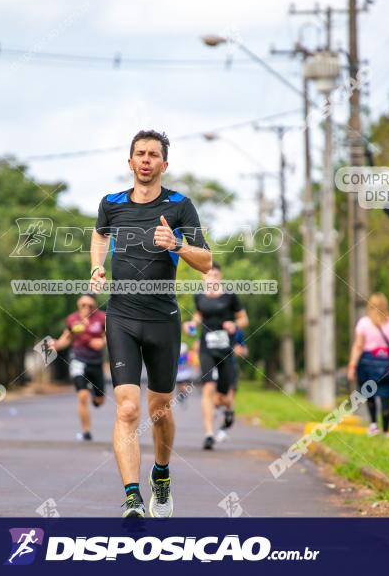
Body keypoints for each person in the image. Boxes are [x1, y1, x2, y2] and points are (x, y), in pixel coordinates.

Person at [90, 130, 212, 518]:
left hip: (163, 318)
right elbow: (98, 235)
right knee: (127, 409)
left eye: (153, 154)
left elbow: (206, 261)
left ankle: (161, 474)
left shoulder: (180, 206)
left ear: (164, 164)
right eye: (139, 154)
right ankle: (131, 496)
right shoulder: (111, 204)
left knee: (159, 408)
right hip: (122, 315)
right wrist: (97, 266)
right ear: (130, 162)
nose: (146, 160)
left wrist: (176, 245)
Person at [185, 263, 248, 450]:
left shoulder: (230, 297)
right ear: (203, 278)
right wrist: (190, 324)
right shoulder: (199, 297)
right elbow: (198, 316)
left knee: (222, 397)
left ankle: (229, 409)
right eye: (208, 274)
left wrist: (235, 325)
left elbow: (244, 319)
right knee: (208, 388)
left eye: (215, 274)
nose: (211, 277)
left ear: (220, 277)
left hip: (225, 350)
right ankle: (209, 434)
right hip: (206, 349)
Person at [346, 293, 389, 437]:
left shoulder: (364, 323)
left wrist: (352, 366)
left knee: (369, 394)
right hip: (387, 364)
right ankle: (386, 431)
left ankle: (373, 425)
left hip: (368, 363)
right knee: (386, 397)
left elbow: (358, 346)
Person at [50, 294, 106, 441]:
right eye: (83, 305)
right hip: (78, 360)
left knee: (100, 401)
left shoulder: (102, 318)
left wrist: (102, 341)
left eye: (90, 306)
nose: (86, 308)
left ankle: (96, 397)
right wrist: (56, 345)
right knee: (82, 396)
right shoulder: (73, 320)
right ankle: (86, 432)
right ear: (78, 305)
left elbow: (111, 335)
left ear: (95, 306)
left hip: (96, 362)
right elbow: (66, 338)